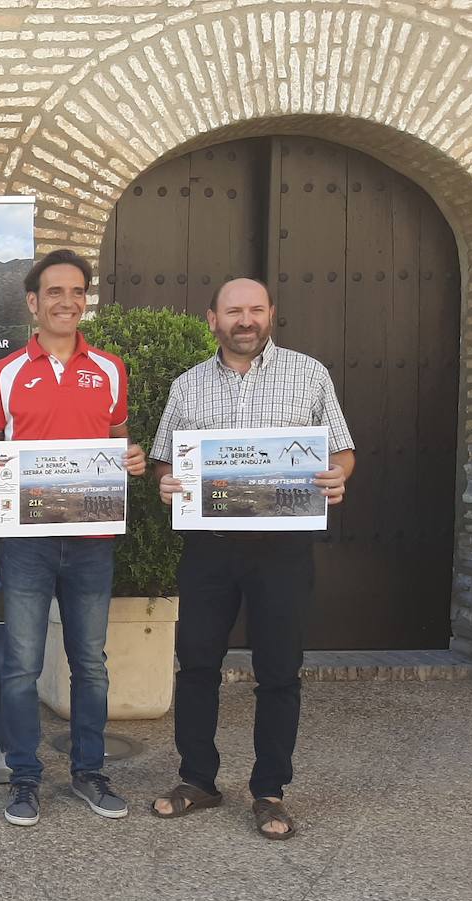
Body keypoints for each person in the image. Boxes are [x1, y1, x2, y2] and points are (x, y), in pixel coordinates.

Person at [149, 277, 354, 840]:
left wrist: (338, 476)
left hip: (283, 550)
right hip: (208, 550)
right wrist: (166, 483)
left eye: (255, 310)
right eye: (234, 310)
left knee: (280, 672)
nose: (246, 320)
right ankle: (198, 779)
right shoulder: (188, 385)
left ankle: (269, 789)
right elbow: (165, 462)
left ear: (271, 315)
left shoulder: (309, 374)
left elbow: (340, 450)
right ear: (212, 317)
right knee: (196, 666)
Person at [0, 249, 147, 827]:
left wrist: (134, 459)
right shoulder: (6, 373)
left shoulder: (111, 369)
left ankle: (90, 773)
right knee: (21, 665)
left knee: (89, 663)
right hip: (27, 541)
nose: (66, 302)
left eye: (76, 292)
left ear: (85, 299)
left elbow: (118, 442)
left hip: (92, 540)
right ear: (33, 302)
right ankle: (24, 780)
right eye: (54, 293)